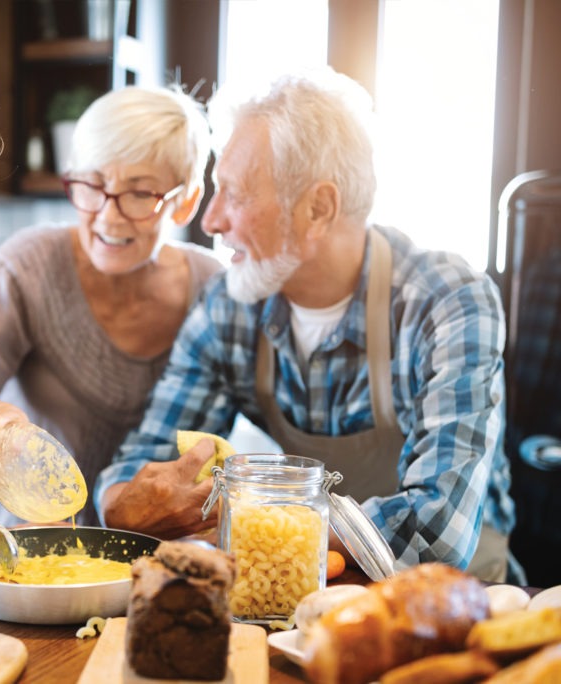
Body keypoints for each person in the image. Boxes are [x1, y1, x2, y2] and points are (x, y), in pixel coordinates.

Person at [95, 67, 524, 584]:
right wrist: (121, 504)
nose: (210, 221)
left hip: (460, 599)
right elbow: (135, 471)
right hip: (312, 587)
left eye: (234, 194)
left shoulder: (446, 301)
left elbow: (439, 529)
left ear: (318, 208)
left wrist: (243, 521)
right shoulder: (230, 307)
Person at [0, 85, 222, 527]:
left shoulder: (214, 289)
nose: (109, 217)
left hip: (154, 545)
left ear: (185, 200)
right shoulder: (29, 265)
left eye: (140, 193)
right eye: (92, 184)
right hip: (26, 537)